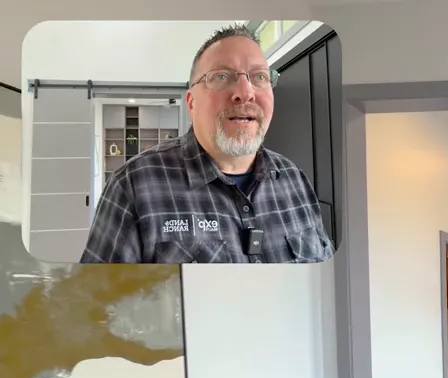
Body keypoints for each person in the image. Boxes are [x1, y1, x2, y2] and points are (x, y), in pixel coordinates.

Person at [80, 24, 333, 264]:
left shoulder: (294, 179)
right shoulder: (132, 185)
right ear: (191, 103)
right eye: (221, 76)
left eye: (259, 77)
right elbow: (98, 306)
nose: (245, 92)